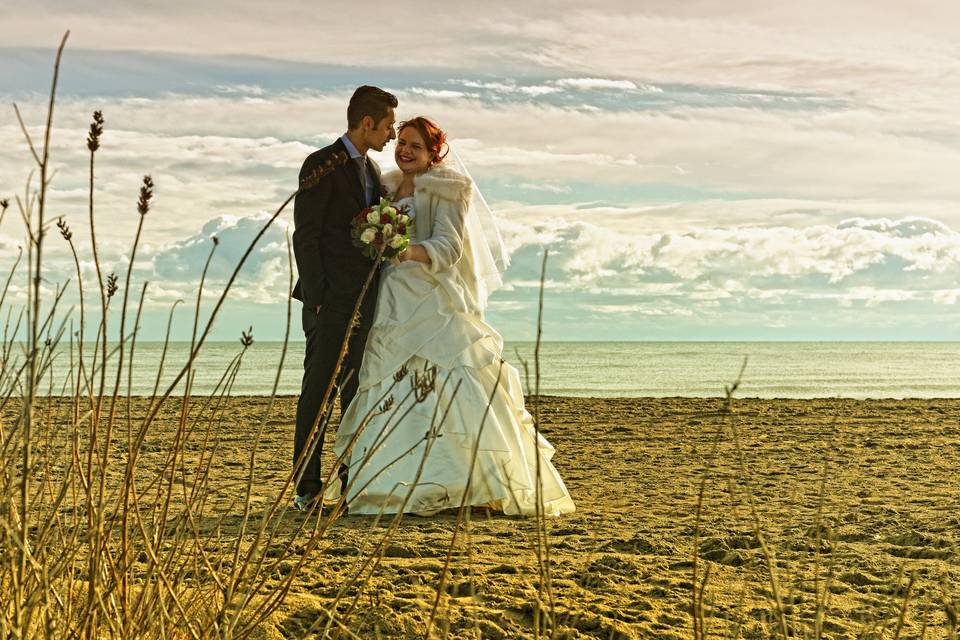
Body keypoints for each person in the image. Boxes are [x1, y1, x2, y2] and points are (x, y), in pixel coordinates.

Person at [332, 117, 575, 517]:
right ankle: (387, 486)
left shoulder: (447, 189)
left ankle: (459, 484)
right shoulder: (386, 189)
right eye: (402, 143)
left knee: (447, 380)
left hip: (433, 299)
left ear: (433, 153)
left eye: (415, 146)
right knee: (389, 382)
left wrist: (403, 250)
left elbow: (449, 246)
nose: (405, 150)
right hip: (390, 299)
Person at [291, 85, 397, 511]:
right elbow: (307, 233)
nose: (391, 135)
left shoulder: (372, 174)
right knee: (319, 392)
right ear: (366, 123)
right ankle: (306, 488)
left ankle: (352, 482)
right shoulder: (322, 163)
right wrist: (317, 299)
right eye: (387, 126)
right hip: (329, 301)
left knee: (355, 391)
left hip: (365, 301)